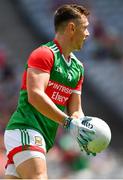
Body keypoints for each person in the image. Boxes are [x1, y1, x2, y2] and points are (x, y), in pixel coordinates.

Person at [4, 4, 95, 179]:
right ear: (71, 28)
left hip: (43, 138)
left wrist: (82, 129)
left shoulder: (78, 68)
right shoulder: (44, 54)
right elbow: (35, 95)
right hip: (26, 128)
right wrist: (68, 122)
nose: (87, 33)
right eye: (85, 28)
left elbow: (75, 110)